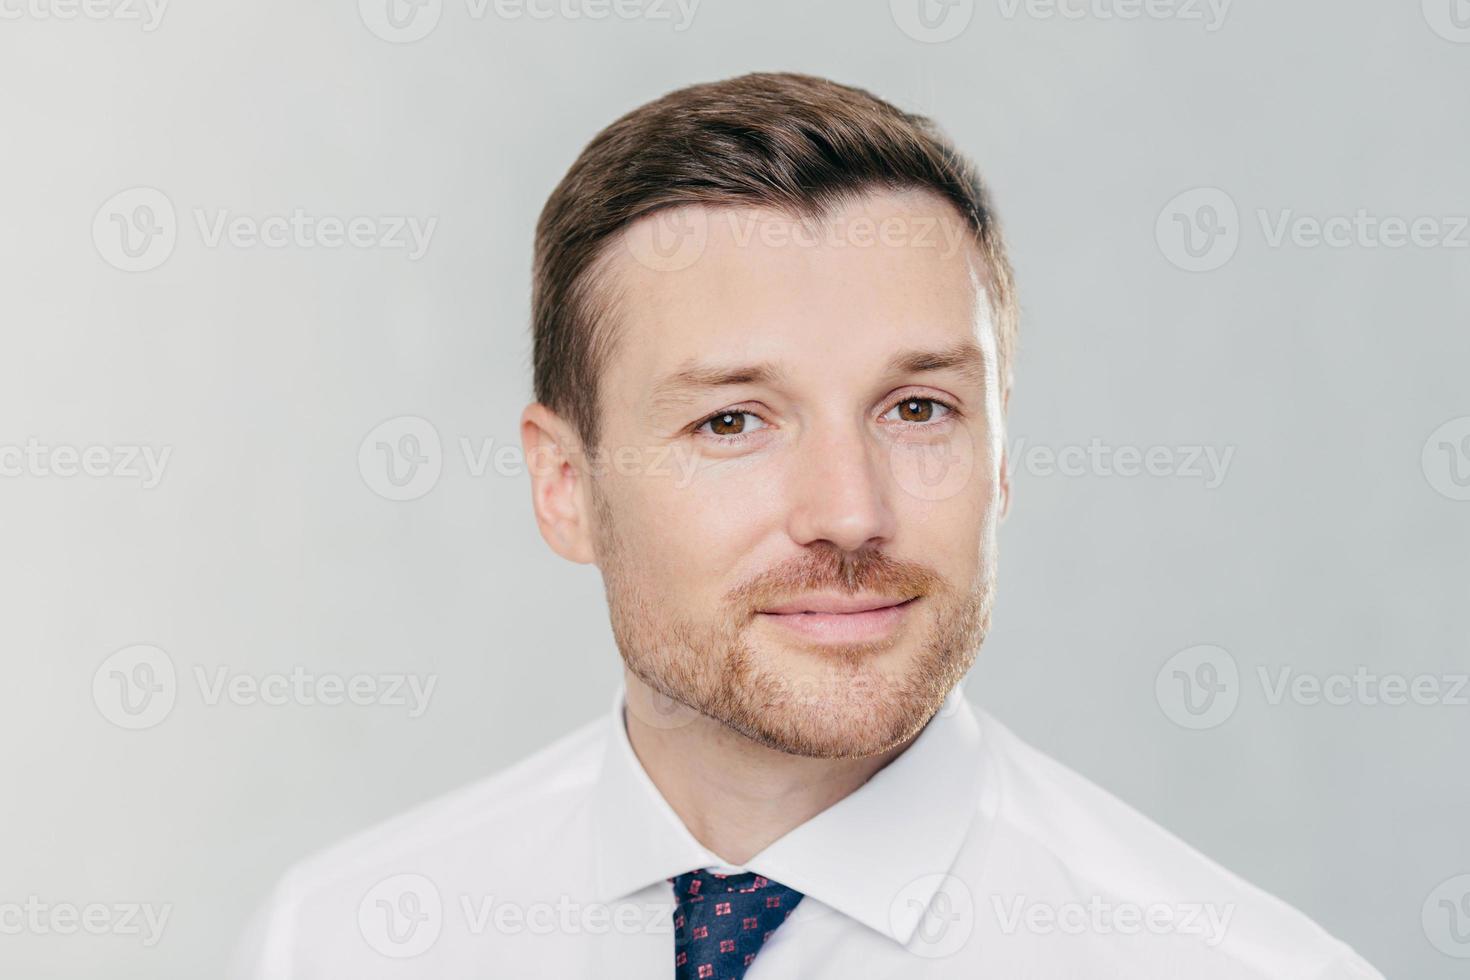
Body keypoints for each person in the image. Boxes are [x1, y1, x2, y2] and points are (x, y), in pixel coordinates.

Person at [234, 71, 1383, 978]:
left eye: (920, 408)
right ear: (564, 485)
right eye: (734, 420)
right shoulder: (339, 943)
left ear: (1001, 455)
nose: (851, 510)